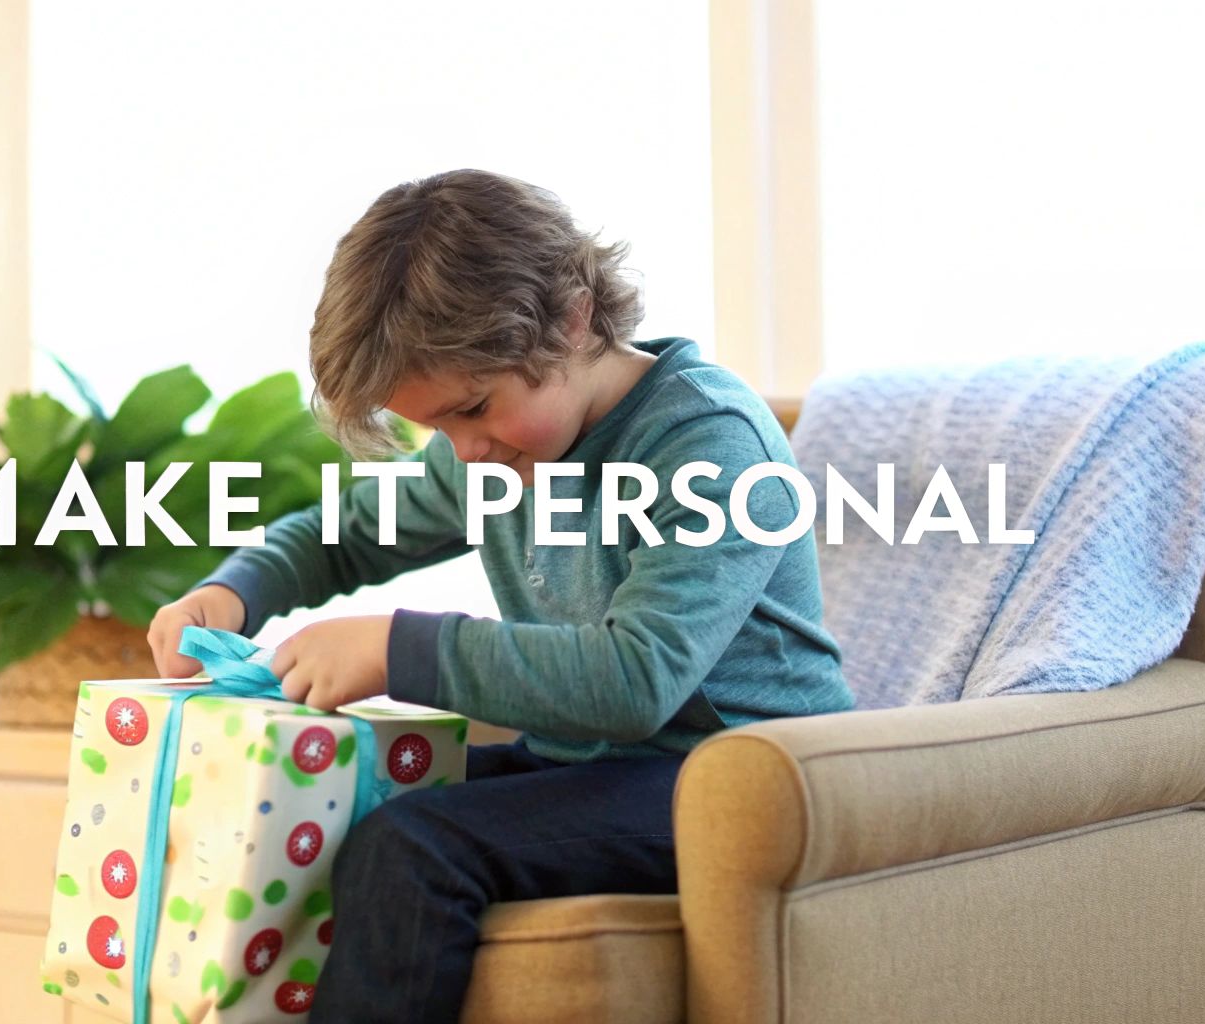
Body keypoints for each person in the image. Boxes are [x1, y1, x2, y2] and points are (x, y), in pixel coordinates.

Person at [148, 168, 852, 1022]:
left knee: (415, 846)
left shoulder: (707, 441)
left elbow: (637, 680)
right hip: (594, 767)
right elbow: (343, 534)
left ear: (573, 319)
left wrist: (396, 648)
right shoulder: (493, 455)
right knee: (339, 795)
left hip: (740, 779)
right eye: (436, 427)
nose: (463, 450)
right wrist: (230, 594)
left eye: (475, 408)